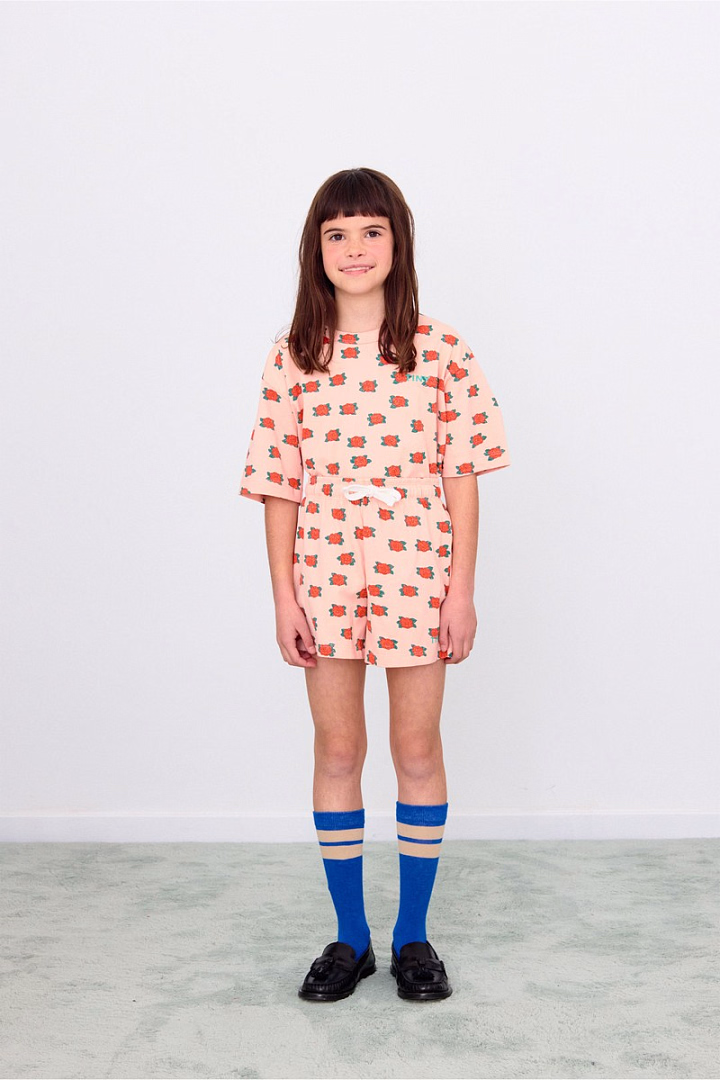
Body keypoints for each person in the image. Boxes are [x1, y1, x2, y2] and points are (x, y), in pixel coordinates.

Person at [238, 167, 511, 1002]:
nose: (354, 248)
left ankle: (413, 936)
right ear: (315, 250)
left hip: (417, 569)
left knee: (416, 749)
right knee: (338, 750)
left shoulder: (441, 349)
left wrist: (460, 590)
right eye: (337, 233)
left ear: (398, 242)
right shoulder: (293, 357)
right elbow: (279, 485)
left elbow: (463, 474)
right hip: (323, 570)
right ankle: (350, 937)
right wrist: (284, 596)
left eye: (370, 231)